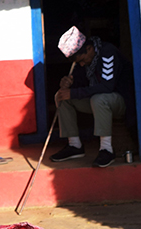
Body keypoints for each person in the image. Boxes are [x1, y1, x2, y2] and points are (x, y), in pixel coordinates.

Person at [51, 26, 129, 168]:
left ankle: (106, 149)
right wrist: (69, 84)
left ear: (89, 48)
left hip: (119, 101)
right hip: (98, 102)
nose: (81, 64)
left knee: (99, 99)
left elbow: (107, 87)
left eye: (82, 59)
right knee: (62, 96)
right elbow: (84, 85)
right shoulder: (84, 61)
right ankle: (74, 146)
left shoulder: (107, 52)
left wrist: (74, 93)